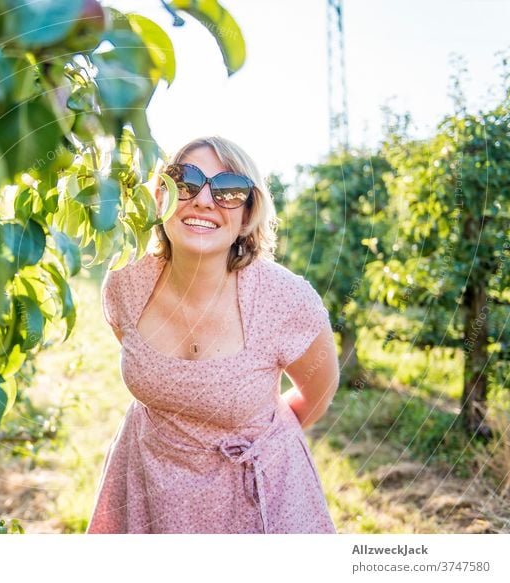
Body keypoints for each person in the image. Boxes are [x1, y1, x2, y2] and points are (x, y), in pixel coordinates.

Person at [86, 136, 340, 534]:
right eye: (185, 181)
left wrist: (260, 440)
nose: (204, 200)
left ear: (247, 214)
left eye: (229, 190)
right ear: (161, 197)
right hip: (151, 485)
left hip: (258, 494)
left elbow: (318, 393)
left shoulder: (285, 300)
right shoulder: (126, 283)